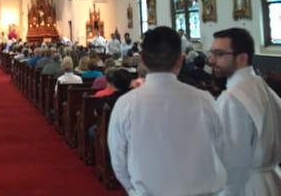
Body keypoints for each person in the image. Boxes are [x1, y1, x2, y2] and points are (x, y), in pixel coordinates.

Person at [108, 26, 226, 196]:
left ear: (143, 60)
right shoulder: (204, 100)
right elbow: (221, 150)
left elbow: (118, 160)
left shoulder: (125, 104)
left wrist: (135, 190)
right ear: (180, 59)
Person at [209, 28, 281, 195]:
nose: (211, 60)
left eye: (219, 54)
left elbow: (232, 162)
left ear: (242, 58)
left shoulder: (232, 99)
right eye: (212, 53)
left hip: (245, 186)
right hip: (271, 179)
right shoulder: (260, 85)